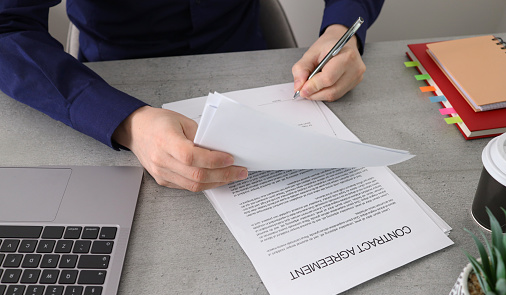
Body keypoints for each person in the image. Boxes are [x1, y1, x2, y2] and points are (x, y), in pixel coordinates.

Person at [0, 0, 384, 192]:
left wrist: (342, 29)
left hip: (249, 58)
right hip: (116, 76)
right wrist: (125, 122)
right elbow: (7, 27)